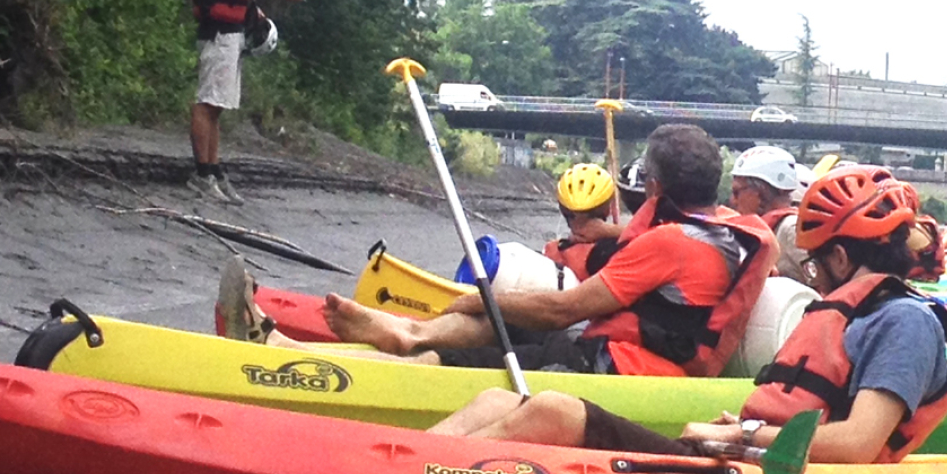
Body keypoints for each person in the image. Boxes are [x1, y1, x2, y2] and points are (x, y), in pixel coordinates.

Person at [427, 165, 947, 465]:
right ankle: (401, 462)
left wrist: (744, 434)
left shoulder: (904, 323)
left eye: (817, 264)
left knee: (551, 411)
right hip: (743, 459)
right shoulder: (851, 311)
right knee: (500, 399)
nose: (813, 275)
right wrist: (739, 433)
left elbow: (857, 445)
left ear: (841, 257)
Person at [220, 124, 776, 377]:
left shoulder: (669, 243)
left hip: (623, 369)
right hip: (618, 347)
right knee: (498, 325)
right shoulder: (725, 230)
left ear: (654, 187)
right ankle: (405, 333)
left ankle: (289, 359)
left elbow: (564, 308)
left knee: (464, 352)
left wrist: (479, 299)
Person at [187, 0, 304, 205]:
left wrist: (256, 11)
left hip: (232, 34)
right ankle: (201, 175)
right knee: (208, 102)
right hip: (218, 33)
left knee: (218, 106)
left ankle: (212, 170)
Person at [728, 146, 807, 284]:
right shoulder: (758, 231)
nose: (733, 201)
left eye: (737, 192)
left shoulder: (791, 229)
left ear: (761, 191)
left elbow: (822, 289)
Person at [542, 163, 626, 281]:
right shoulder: (622, 251)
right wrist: (611, 230)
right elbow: (655, 235)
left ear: (564, 211)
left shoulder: (551, 251)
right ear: (607, 210)